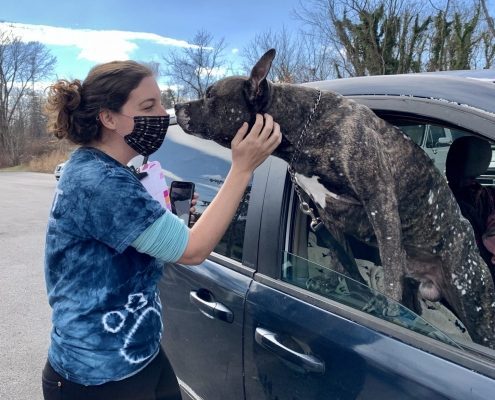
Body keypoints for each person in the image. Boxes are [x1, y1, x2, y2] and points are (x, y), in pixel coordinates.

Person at [42, 60, 281, 400]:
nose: (161, 115)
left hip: (140, 355)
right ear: (108, 118)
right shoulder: (100, 183)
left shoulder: (106, 169)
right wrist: (242, 169)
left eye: (159, 102)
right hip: (97, 378)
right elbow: (193, 251)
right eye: (147, 106)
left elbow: (155, 240)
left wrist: (172, 217)